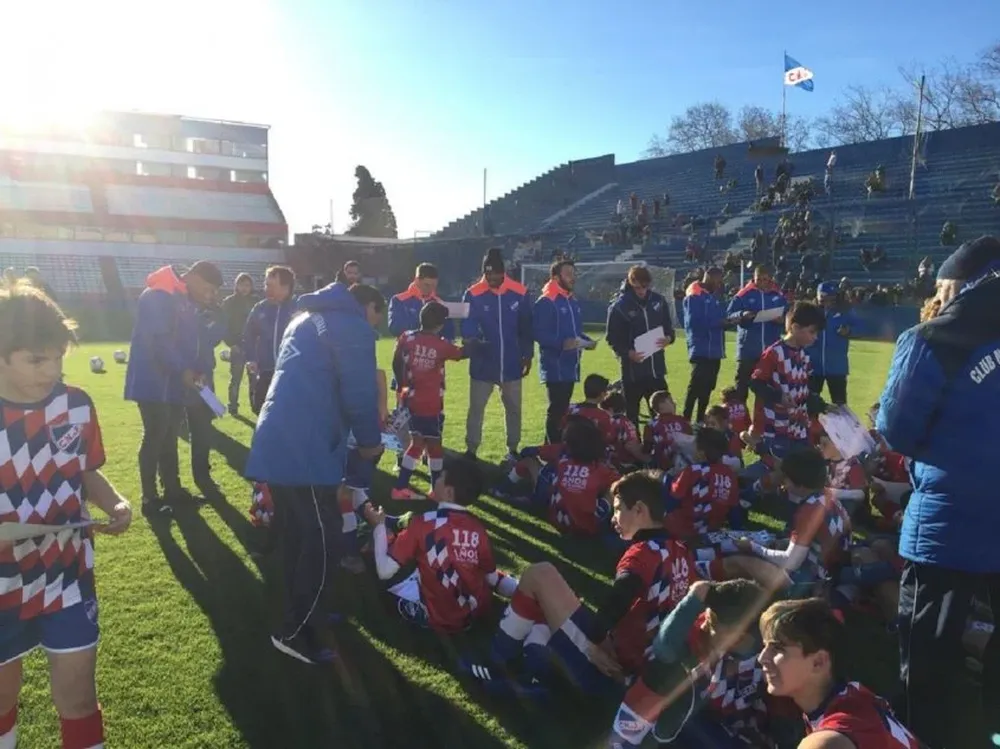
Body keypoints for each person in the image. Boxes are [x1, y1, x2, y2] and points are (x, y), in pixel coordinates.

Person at [877, 235, 1000, 748]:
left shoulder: (934, 336)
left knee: (927, 643)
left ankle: (922, 734)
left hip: (949, 521)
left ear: (956, 281)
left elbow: (898, 429)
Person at [0, 281, 132, 749]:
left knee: (77, 699)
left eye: (58, 356)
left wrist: (114, 502)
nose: (52, 370)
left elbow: (86, 472)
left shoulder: (76, 404)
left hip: (67, 574)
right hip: (2, 583)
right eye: (37, 360)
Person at [244, 283, 385, 664]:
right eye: (377, 315)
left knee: (297, 535)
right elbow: (359, 393)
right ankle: (295, 630)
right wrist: (371, 442)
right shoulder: (351, 327)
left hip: (279, 439)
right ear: (367, 306)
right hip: (306, 447)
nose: (375, 325)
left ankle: (309, 610)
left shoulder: (302, 319)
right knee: (322, 540)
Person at [364, 457, 517, 631]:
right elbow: (491, 577)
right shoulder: (478, 528)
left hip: (436, 616)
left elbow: (384, 571)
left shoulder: (423, 523)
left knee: (387, 569)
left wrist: (378, 527)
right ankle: (522, 594)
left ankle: (419, 610)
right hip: (471, 614)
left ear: (449, 492)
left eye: (440, 477)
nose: (435, 479)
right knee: (482, 572)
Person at [124, 262, 223, 517]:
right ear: (197, 279)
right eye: (209, 290)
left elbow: (191, 341)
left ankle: (173, 490)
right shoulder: (159, 294)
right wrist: (183, 369)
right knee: (156, 435)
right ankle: (149, 498)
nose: (210, 296)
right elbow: (161, 340)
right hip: (153, 381)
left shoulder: (183, 298)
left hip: (174, 382)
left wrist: (194, 370)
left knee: (169, 436)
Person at [758, 598, 921, 749]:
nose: (762, 658)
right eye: (764, 647)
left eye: (777, 648)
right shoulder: (854, 695)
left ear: (819, 662)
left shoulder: (827, 742)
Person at [391, 301, 470, 500]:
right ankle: (428, 489)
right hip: (431, 403)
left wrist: (402, 385)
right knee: (433, 445)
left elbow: (396, 361)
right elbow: (461, 353)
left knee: (417, 442)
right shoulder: (441, 344)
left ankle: (406, 487)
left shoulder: (407, 337)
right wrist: (477, 346)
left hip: (411, 400)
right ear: (440, 324)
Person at [461, 248, 533, 462]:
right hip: (483, 364)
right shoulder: (473, 293)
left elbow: (526, 327)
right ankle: (471, 449)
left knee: (514, 408)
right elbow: (468, 324)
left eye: (496, 273)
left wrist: (527, 355)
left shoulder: (519, 292)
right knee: (476, 409)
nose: (492, 277)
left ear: (504, 272)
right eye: (488, 273)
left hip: (512, 362)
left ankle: (512, 448)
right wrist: (472, 340)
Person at [749, 301, 826, 457]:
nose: (815, 338)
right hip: (776, 429)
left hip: (799, 427)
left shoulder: (803, 355)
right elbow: (756, 383)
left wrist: (821, 405)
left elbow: (802, 390)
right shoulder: (774, 353)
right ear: (795, 327)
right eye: (812, 332)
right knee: (778, 471)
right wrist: (778, 396)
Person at [533, 259, 595, 444]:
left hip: (570, 364)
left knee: (562, 409)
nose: (572, 277)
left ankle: (549, 448)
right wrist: (561, 344)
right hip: (555, 365)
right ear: (555, 277)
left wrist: (586, 341)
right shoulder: (546, 301)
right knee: (557, 410)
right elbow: (538, 332)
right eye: (568, 273)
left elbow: (574, 333)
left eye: (573, 273)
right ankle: (554, 451)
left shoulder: (571, 300)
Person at [606, 265, 676, 427]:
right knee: (632, 415)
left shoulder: (658, 301)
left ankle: (662, 446)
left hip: (656, 369)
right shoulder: (619, 307)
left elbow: (669, 329)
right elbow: (612, 338)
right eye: (637, 287)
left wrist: (668, 338)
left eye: (645, 286)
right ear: (631, 283)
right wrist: (628, 353)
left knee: (664, 412)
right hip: (633, 372)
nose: (641, 291)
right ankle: (634, 447)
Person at [726, 263, 787, 400]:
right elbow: (729, 314)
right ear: (753, 278)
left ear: (770, 279)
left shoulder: (778, 295)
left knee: (768, 388)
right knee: (742, 386)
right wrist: (742, 314)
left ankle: (765, 418)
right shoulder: (744, 294)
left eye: (764, 279)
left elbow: (788, 316)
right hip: (748, 348)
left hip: (770, 350)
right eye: (758, 279)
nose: (761, 282)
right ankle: (740, 419)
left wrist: (782, 320)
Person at [243, 265, 297, 415]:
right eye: (265, 284)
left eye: (271, 285)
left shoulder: (299, 309)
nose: (266, 289)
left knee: (288, 414)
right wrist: (251, 358)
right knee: (260, 409)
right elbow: (248, 335)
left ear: (285, 287)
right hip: (265, 372)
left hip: (291, 373)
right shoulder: (260, 308)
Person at [185, 301, 226, 495]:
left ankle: (202, 474)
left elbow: (214, 339)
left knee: (202, 428)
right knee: (171, 432)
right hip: (184, 376)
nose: (211, 296)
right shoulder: (182, 310)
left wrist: (219, 317)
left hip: (205, 377)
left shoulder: (207, 312)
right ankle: (167, 487)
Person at [682, 267, 729, 423]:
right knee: (695, 386)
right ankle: (686, 420)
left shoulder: (713, 296)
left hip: (715, 349)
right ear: (709, 278)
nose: (720, 284)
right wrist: (719, 322)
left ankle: (700, 420)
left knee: (708, 387)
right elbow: (693, 323)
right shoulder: (694, 296)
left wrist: (729, 321)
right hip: (701, 348)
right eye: (718, 280)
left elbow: (720, 317)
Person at [806, 281, 859, 406]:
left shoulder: (845, 310)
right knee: (809, 404)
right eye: (823, 298)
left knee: (840, 405)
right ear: (818, 296)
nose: (827, 302)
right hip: (813, 366)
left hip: (837, 367)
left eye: (831, 298)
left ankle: (842, 426)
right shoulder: (810, 311)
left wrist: (849, 331)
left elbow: (861, 327)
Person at [220, 273, 258, 416]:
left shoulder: (256, 302)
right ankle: (233, 407)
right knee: (235, 379)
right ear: (236, 285)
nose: (244, 288)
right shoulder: (229, 302)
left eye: (247, 285)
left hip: (252, 347)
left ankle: (256, 406)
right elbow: (223, 325)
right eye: (242, 284)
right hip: (237, 346)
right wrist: (231, 343)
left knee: (254, 379)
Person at [388, 262, 454, 341]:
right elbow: (395, 328)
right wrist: (425, 326)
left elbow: (449, 333)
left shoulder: (439, 303)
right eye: (426, 285)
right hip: (408, 349)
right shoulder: (399, 300)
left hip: (433, 350)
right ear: (417, 280)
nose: (430, 289)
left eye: (433, 285)